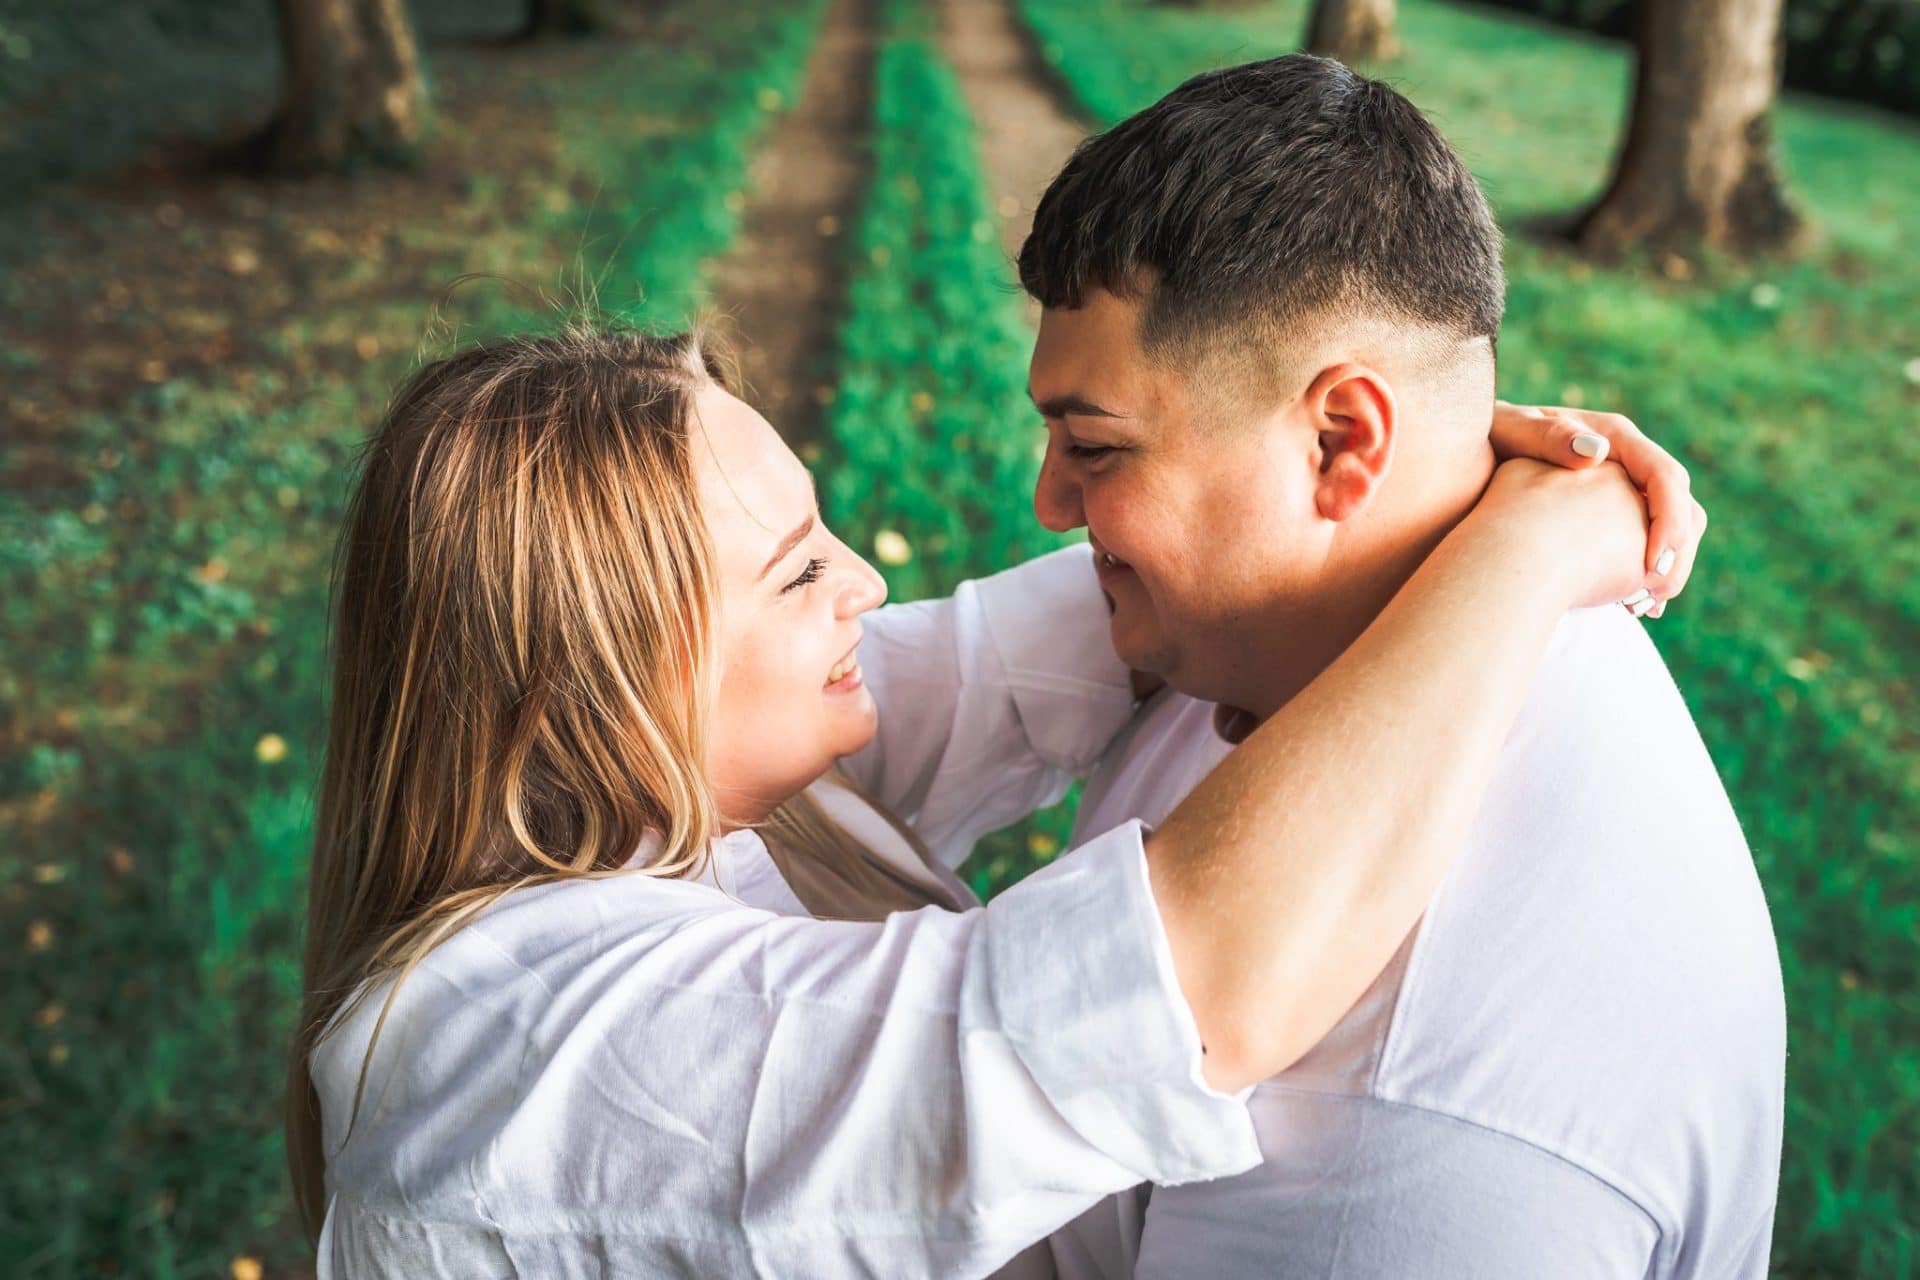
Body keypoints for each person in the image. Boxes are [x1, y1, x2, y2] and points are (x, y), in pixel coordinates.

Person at [287, 320, 1678, 1277]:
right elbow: (1183, 990)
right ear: (593, 688)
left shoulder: (679, 785)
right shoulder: (525, 1039)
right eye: (791, 575)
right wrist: (1527, 554)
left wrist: (1385, 475)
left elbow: (1040, 652)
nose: (865, 584)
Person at [1014, 54, 1784, 1278]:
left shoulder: (1397, 1149)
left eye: (1095, 446)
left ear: (1340, 441)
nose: (1052, 503)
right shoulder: (1304, 603)